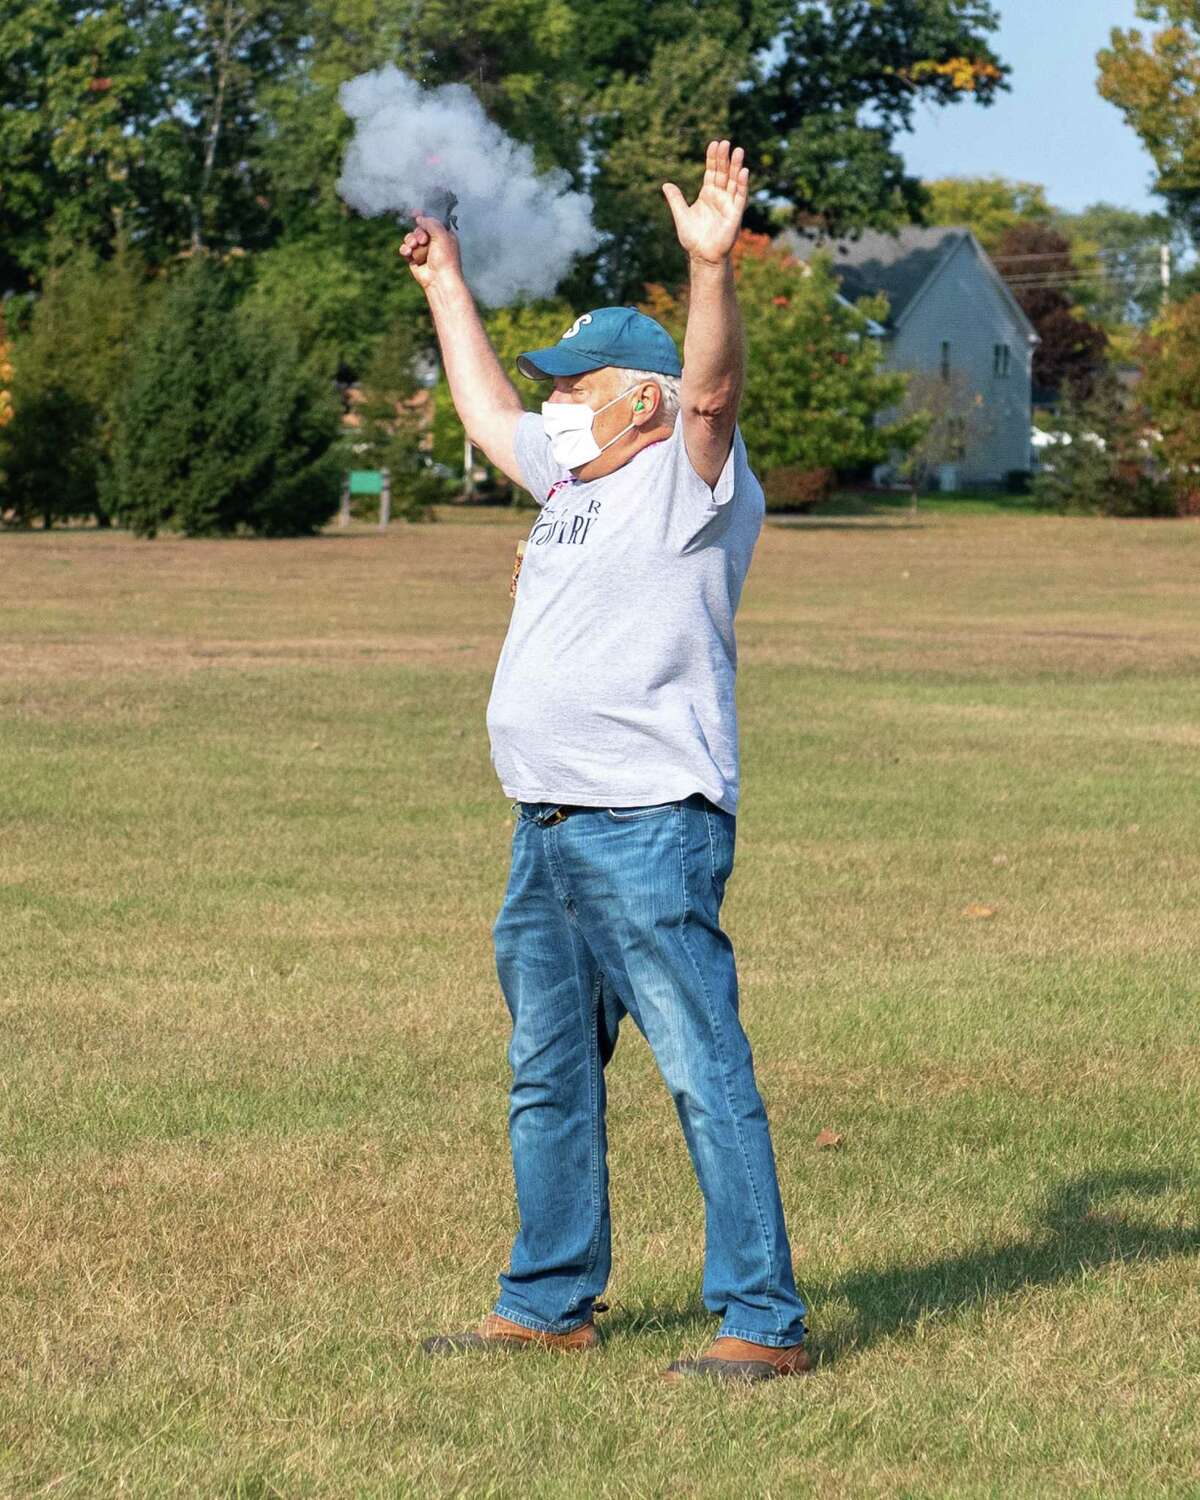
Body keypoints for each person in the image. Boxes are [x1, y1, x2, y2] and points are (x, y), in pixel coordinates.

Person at [400, 141, 810, 1384]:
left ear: (641, 393)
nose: (556, 402)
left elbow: (718, 388)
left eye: (577, 385)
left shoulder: (693, 478)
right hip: (550, 826)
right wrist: (444, 282)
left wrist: (712, 271)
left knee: (702, 1071)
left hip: (647, 825)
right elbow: (481, 410)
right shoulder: (571, 476)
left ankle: (763, 1322)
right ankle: (548, 1299)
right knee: (547, 1075)